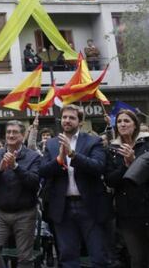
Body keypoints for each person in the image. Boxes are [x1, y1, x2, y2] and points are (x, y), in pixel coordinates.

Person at [40, 104, 110, 268]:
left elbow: (98, 167)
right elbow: (42, 171)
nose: (67, 121)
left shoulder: (94, 141)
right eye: (64, 117)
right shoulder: (51, 144)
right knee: (68, 258)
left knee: (98, 256)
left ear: (80, 121)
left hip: (90, 206)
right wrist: (59, 160)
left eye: (72, 118)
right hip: (62, 208)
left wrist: (73, 155)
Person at [0, 120, 41, 268]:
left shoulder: (33, 156)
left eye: (15, 132)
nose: (11, 135)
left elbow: (34, 182)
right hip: (0, 213)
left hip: (25, 213)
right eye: (8, 132)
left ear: (22, 136)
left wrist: (15, 167)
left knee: (25, 258)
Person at [105, 109, 149, 268]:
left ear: (135, 124)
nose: (122, 124)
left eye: (127, 121)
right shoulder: (111, 150)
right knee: (137, 258)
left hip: (146, 203)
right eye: (119, 122)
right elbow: (110, 180)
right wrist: (126, 165)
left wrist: (136, 160)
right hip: (127, 212)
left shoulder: (146, 144)